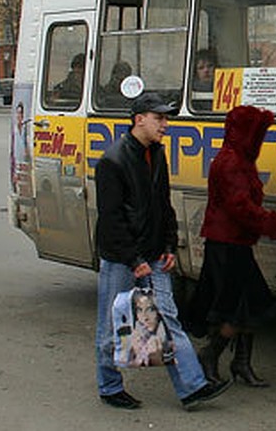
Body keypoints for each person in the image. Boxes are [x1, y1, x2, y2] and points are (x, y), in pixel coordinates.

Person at [93, 91, 230, 411]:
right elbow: (111, 221)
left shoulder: (156, 154)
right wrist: (133, 260)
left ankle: (192, 386)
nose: (165, 124)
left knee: (167, 318)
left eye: (166, 118)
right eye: (160, 118)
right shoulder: (112, 161)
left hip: (154, 254)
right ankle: (110, 386)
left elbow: (163, 206)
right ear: (139, 119)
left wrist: (169, 245)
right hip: (122, 260)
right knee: (113, 325)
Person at [190, 105, 276, 387]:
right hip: (226, 246)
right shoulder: (232, 163)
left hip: (233, 244)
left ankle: (240, 363)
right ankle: (211, 356)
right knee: (238, 309)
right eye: (258, 134)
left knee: (250, 306)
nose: (261, 140)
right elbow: (242, 208)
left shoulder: (237, 158)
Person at [123, 289, 174, 367]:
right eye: (139, 310)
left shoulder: (168, 337)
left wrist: (157, 359)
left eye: (150, 310)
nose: (145, 317)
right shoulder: (137, 329)